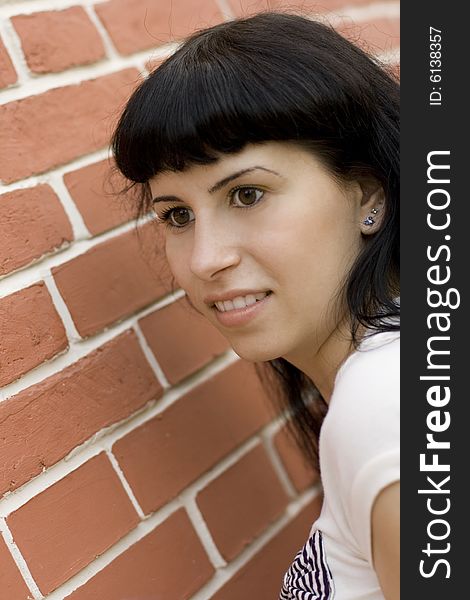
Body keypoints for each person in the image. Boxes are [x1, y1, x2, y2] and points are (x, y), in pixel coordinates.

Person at [111, 11, 400, 600]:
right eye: (177, 216)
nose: (204, 259)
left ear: (368, 195)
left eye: (247, 194)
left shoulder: (383, 408)